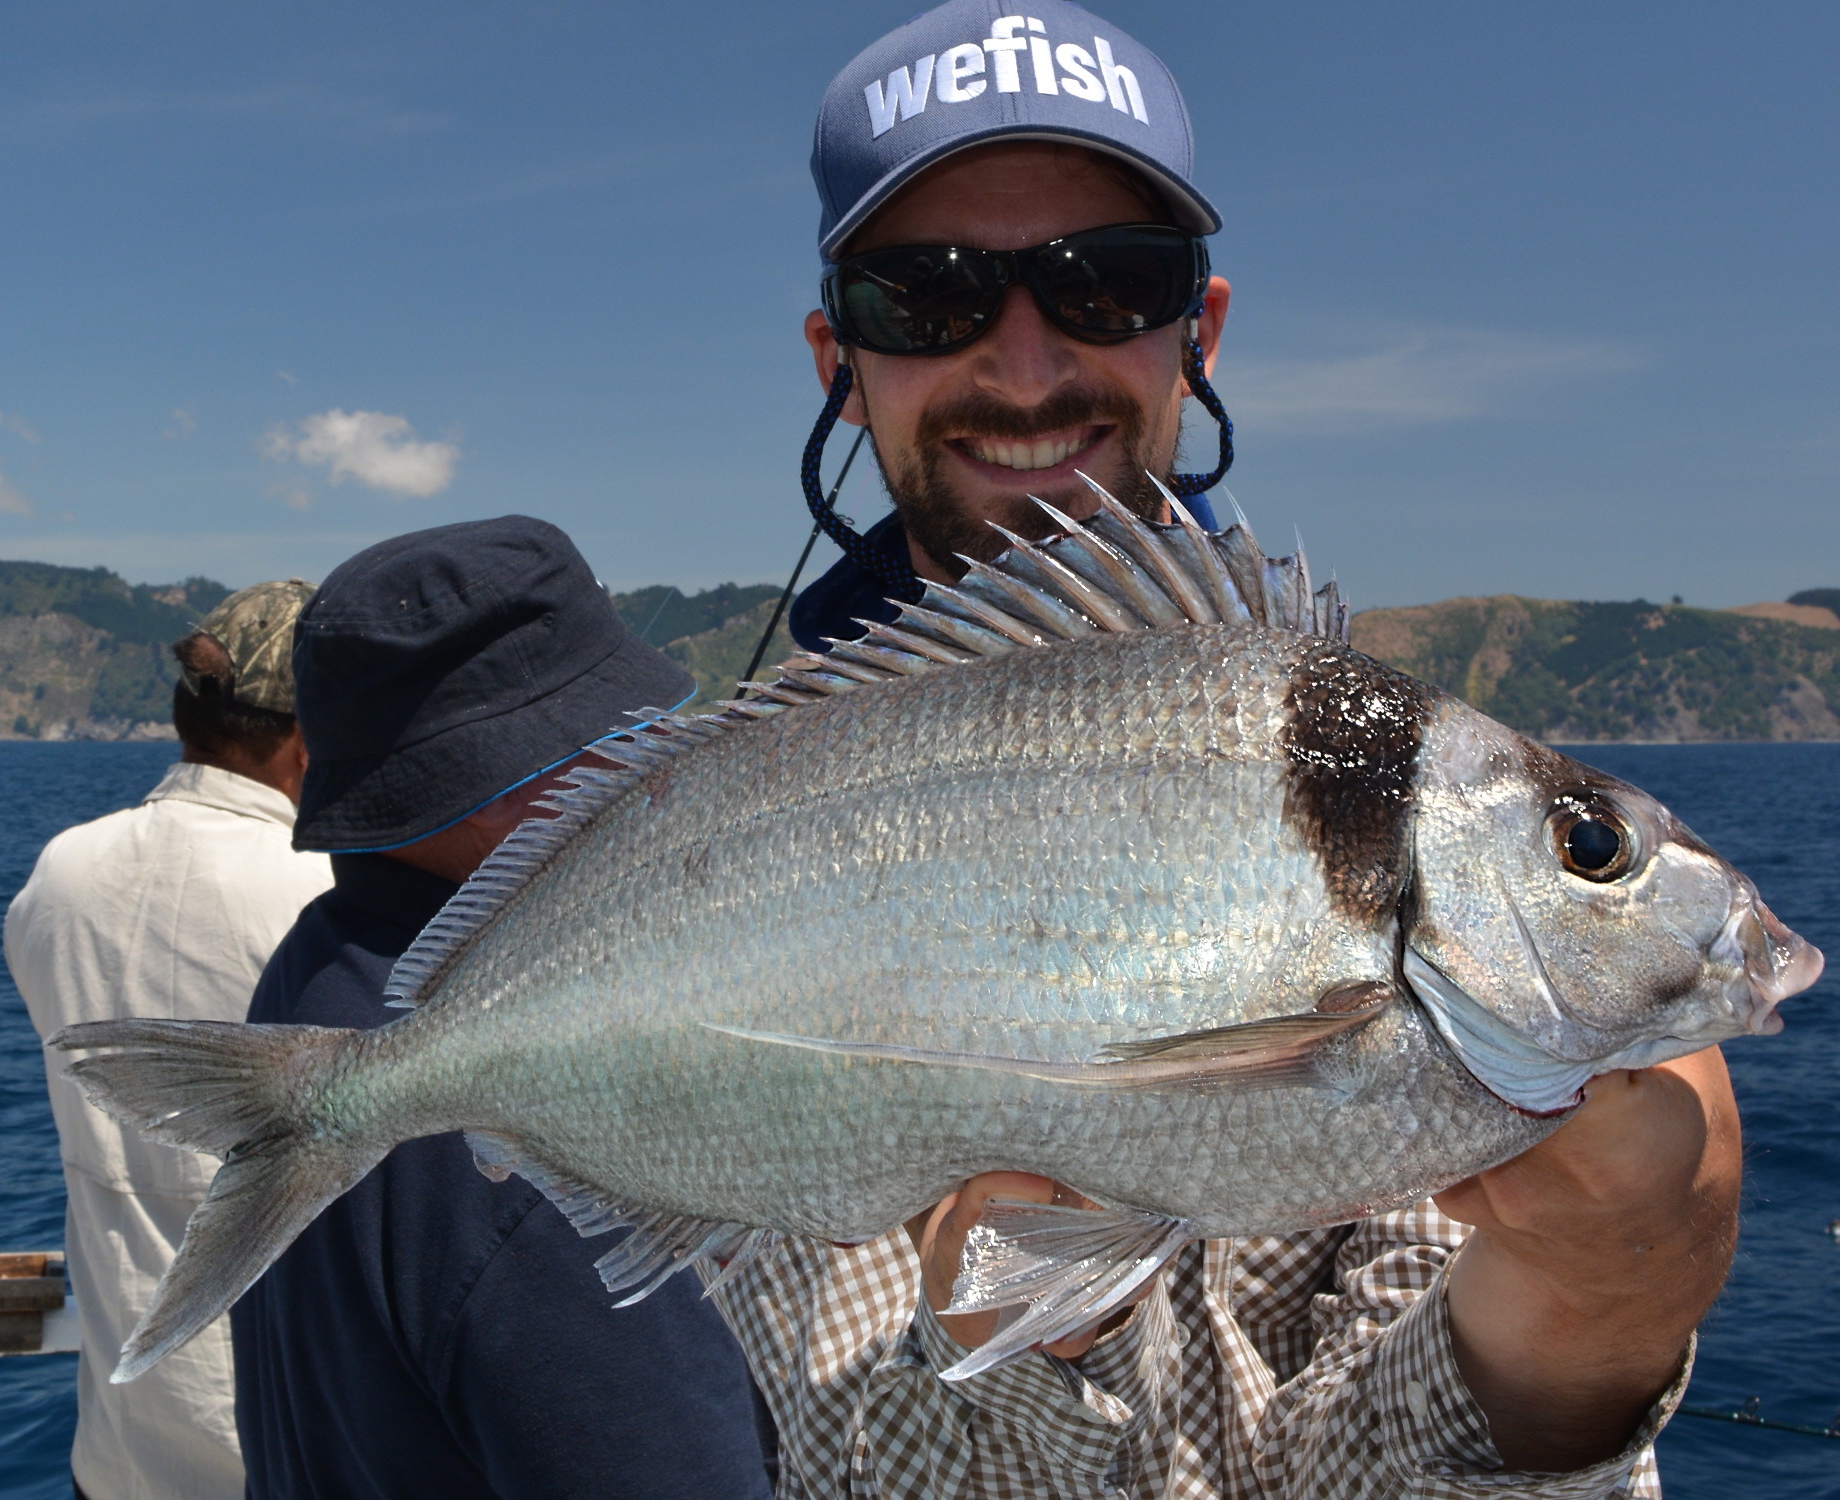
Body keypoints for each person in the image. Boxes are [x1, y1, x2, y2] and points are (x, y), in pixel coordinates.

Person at [711, 4, 1741, 1495]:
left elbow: (1381, 1440)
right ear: (838, 357)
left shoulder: (1394, 788)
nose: (1020, 360)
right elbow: (845, 1435)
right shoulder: (727, 826)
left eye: (1104, 281)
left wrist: (1591, 1314)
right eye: (923, 296)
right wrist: (1017, 1337)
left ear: (1200, 330)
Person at [227, 515, 777, 1500]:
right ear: (493, 784)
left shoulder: (318, 976)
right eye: (622, 735)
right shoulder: (516, 1122)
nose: (665, 753)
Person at [7, 580, 334, 1500]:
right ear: (312, 739)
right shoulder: (322, 900)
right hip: (287, 1455)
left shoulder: (61, 871)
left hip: (121, 1458)